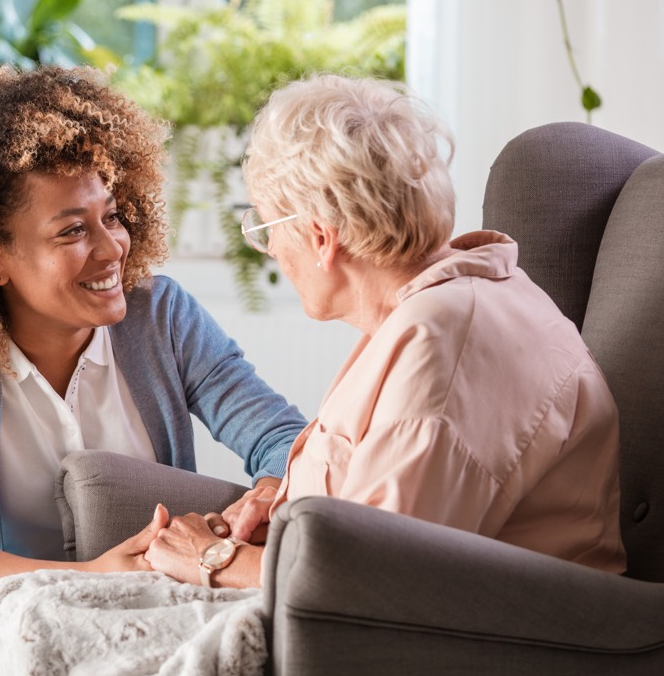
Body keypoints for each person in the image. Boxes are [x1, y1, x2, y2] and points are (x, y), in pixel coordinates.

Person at [0, 64, 307, 676]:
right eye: (73, 231)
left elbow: (285, 440)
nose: (112, 248)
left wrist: (269, 493)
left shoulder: (161, 316)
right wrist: (84, 580)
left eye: (111, 215)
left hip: (148, 610)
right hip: (0, 615)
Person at [143, 73, 626, 590]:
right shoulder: (439, 307)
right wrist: (285, 506)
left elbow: (375, 580)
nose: (273, 252)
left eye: (265, 229)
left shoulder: (444, 343)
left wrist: (213, 558)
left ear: (320, 237)